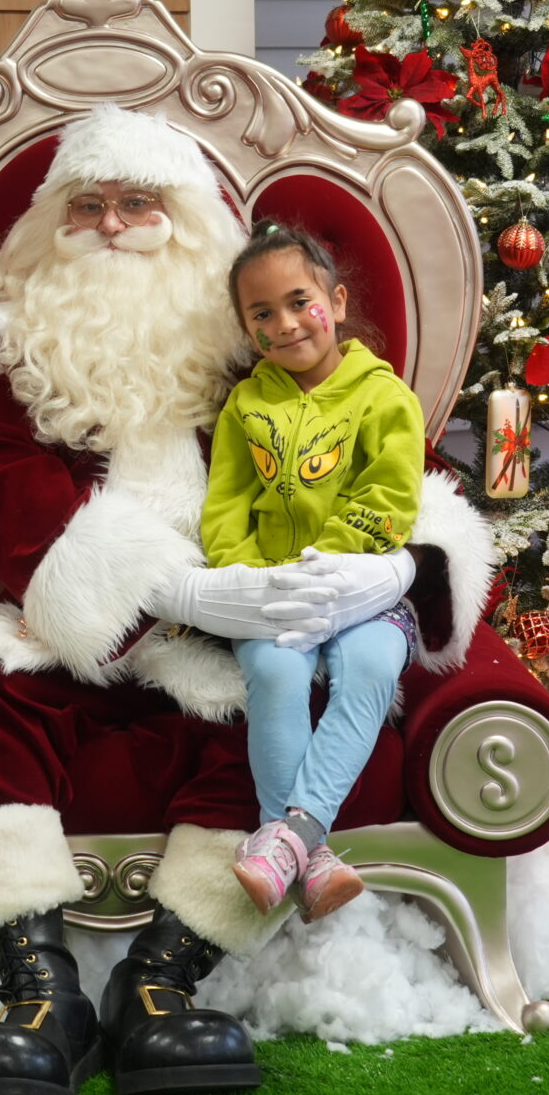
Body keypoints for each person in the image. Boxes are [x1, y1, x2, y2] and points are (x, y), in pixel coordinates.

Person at [0, 104, 493, 1095]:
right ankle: (40, 995)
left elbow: (404, 467)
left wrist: (395, 571)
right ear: (52, 223)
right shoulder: (14, 344)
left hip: (237, 643)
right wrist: (165, 585)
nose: (113, 224)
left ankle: (163, 980)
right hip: (67, 636)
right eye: (88, 205)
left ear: (187, 221)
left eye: (140, 203)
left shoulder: (257, 336)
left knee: (298, 689)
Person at [205, 224, 423, 923]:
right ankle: (311, 855)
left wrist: (324, 570)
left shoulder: (384, 397)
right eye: (261, 313)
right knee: (275, 674)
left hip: (359, 590)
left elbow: (390, 497)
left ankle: (286, 838)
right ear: (246, 326)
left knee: (372, 665)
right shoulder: (246, 406)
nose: (285, 323)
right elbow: (225, 505)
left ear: (337, 300)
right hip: (271, 597)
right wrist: (251, 579)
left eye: (300, 302)